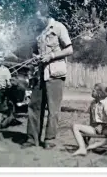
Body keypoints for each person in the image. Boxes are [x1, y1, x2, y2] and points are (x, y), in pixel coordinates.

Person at [21, 11, 73, 150]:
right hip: (39, 74)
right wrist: (35, 57)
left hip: (55, 74)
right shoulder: (38, 31)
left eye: (38, 17)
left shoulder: (59, 27)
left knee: (53, 109)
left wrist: (52, 56)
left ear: (46, 15)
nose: (37, 21)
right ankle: (32, 139)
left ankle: (49, 139)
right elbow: (34, 51)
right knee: (34, 106)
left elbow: (69, 50)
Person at [71, 83, 107, 156]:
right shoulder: (93, 103)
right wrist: (90, 126)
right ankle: (82, 148)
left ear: (99, 94)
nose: (92, 92)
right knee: (75, 126)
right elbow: (91, 116)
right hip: (94, 128)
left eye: (93, 91)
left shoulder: (106, 104)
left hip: (104, 128)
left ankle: (97, 144)